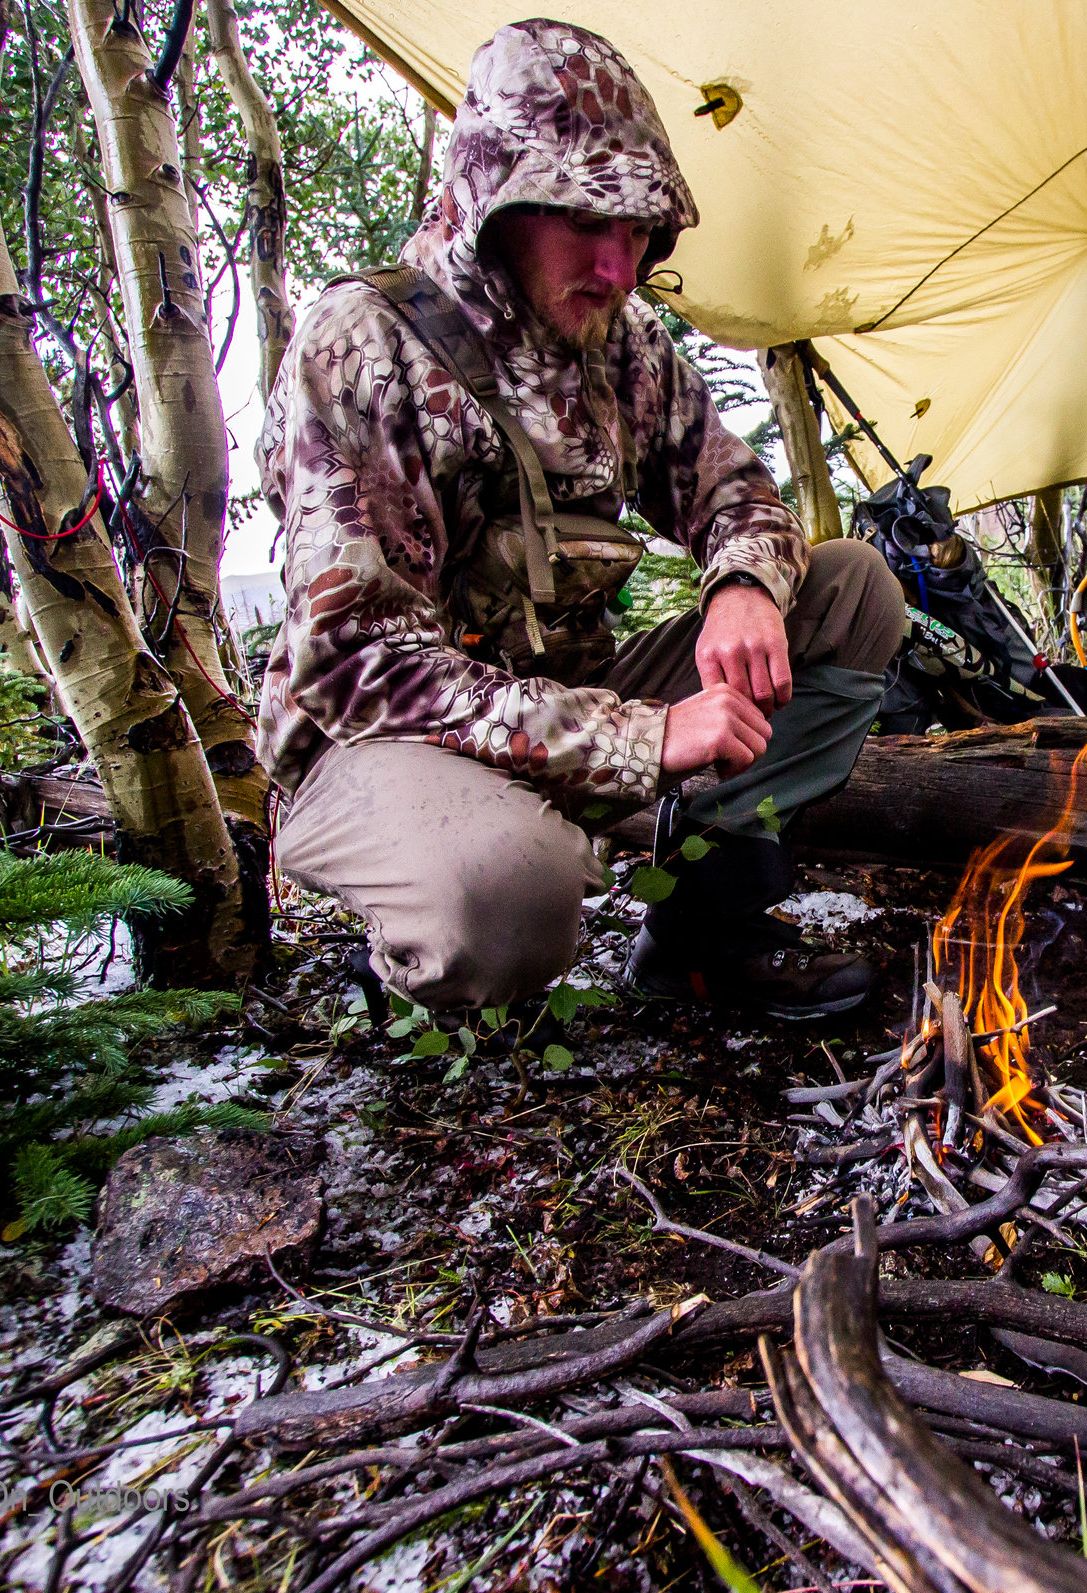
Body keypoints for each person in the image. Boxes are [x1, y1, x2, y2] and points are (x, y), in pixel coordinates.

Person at [255, 18, 904, 1021]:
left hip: (568, 698)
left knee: (849, 591)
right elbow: (357, 670)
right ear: (494, 201)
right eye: (584, 220)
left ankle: (699, 936)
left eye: (638, 230)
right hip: (380, 744)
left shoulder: (622, 345)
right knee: (513, 895)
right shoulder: (365, 344)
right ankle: (403, 979)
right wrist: (644, 738)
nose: (615, 263)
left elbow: (738, 493)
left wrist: (740, 582)